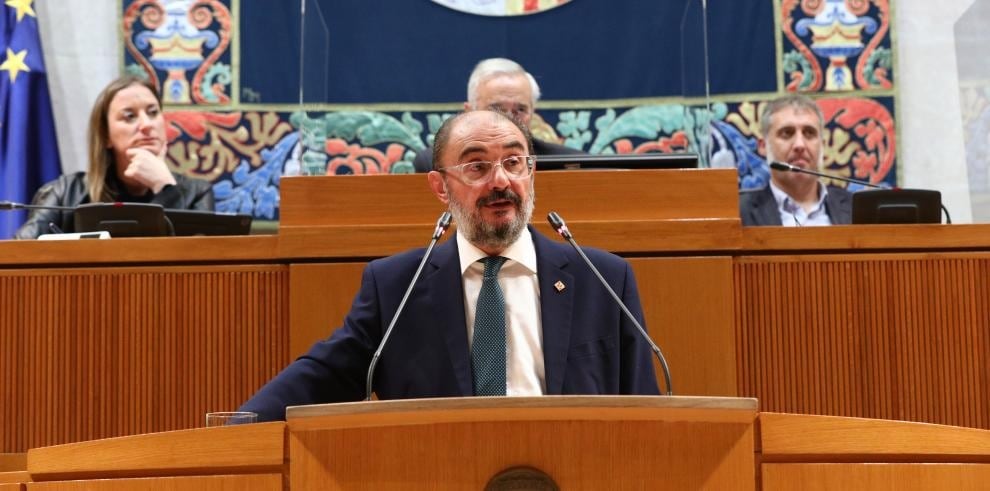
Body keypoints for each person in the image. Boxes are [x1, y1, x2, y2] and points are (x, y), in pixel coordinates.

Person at [241, 109, 660, 421]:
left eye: (514, 162)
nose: (500, 181)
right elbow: (322, 377)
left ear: (531, 172)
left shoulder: (602, 280)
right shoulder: (397, 287)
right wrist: (240, 425)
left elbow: (646, 410)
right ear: (441, 187)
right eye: (477, 166)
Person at [14, 76, 213, 239]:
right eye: (129, 116)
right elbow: (17, 252)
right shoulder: (67, 192)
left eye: (153, 113)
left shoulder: (197, 193)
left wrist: (166, 188)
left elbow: (202, 265)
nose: (146, 125)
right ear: (105, 135)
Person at [412, 57, 582, 172]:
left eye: (520, 110)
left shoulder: (570, 164)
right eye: (496, 110)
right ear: (468, 112)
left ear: (533, 114)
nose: (509, 120)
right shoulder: (435, 163)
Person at [739, 94, 852, 226]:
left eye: (809, 133)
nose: (800, 145)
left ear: (823, 145)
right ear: (763, 146)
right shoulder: (739, 212)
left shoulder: (856, 210)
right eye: (787, 133)